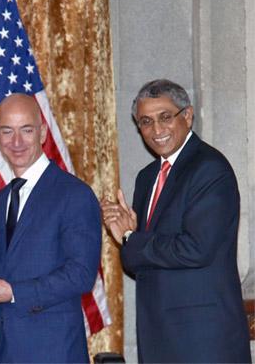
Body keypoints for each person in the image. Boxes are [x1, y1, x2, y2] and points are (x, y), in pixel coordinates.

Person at [101, 79, 251, 363]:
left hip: (204, 342)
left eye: (165, 117)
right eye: (146, 121)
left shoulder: (209, 168)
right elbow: (134, 263)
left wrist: (134, 238)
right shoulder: (147, 178)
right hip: (159, 338)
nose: (156, 130)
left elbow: (196, 248)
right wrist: (126, 237)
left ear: (188, 116)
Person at [0, 93, 102, 362]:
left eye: (27, 130)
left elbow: (81, 274)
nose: (17, 142)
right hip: (1, 351)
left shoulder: (74, 194)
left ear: (43, 132)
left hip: (53, 352)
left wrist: (13, 293)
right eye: (8, 131)